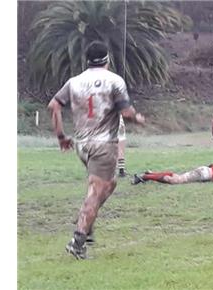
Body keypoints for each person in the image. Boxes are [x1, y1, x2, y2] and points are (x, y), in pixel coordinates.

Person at [47, 41, 145, 259]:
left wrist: (61, 136)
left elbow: (54, 105)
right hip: (103, 145)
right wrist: (138, 118)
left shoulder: (75, 81)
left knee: (109, 184)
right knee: (95, 193)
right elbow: (127, 113)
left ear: (87, 60)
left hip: (82, 145)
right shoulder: (114, 81)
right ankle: (79, 240)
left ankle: (87, 222)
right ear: (107, 60)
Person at [131, 148, 213, 185]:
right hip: (205, 173)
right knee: (175, 180)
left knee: (176, 177)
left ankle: (151, 173)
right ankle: (145, 176)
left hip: (206, 173)